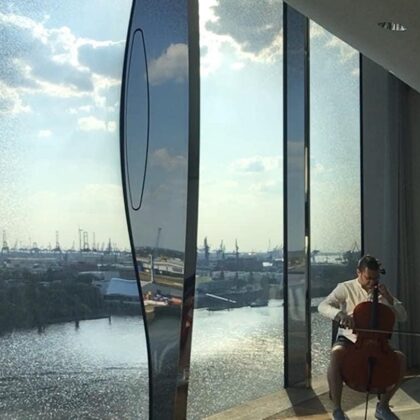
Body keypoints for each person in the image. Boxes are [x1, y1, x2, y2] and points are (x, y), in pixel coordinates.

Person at [318, 255, 407, 420]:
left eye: (376, 278)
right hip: (350, 339)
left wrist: (388, 298)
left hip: (379, 342)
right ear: (358, 272)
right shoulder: (345, 288)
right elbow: (322, 306)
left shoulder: (382, 292)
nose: (372, 282)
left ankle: (383, 406)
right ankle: (337, 409)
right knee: (336, 354)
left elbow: (403, 317)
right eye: (368, 278)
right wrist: (339, 315)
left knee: (400, 360)